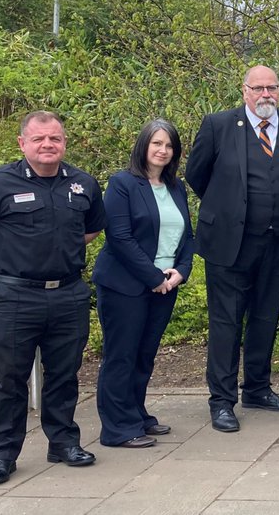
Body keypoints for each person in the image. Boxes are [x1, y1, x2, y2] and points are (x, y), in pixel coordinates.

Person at [0, 111, 106, 485]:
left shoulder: (83, 183)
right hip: (16, 297)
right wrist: (14, 265)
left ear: (65, 143)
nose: (47, 145)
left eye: (54, 139)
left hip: (68, 294)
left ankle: (63, 441)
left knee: (64, 374)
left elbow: (91, 231)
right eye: (38, 139)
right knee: (10, 379)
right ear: (22, 143)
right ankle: (2, 453)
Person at [186, 65, 279, 432]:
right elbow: (197, 175)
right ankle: (221, 401)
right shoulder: (218, 125)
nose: (265, 95)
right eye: (257, 88)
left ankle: (258, 388)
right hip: (230, 243)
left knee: (265, 317)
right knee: (226, 322)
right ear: (244, 91)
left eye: (271, 87)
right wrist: (228, 207)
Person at [92, 119, 195, 449]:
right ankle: (117, 428)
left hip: (165, 286)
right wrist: (154, 278)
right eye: (157, 144)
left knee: (144, 355)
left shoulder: (175, 187)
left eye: (169, 146)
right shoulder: (122, 183)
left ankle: (136, 414)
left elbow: (187, 236)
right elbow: (119, 237)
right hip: (126, 286)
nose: (163, 150)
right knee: (121, 355)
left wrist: (181, 271)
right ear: (143, 146)